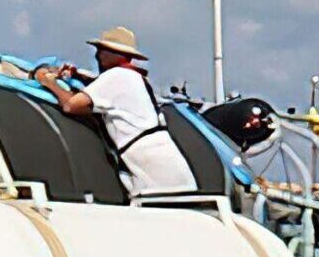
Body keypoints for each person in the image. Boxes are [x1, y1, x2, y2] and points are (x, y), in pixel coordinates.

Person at [33, 25, 199, 201]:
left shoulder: (117, 76)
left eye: (103, 50)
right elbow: (96, 84)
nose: (98, 55)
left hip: (156, 168)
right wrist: (74, 74)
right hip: (161, 163)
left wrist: (47, 82)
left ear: (116, 54)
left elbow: (71, 105)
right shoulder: (131, 77)